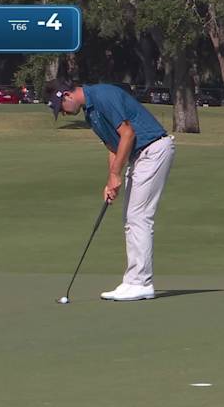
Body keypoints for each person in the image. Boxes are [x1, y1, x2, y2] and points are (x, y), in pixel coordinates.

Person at [47, 80, 176, 302]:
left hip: (153, 149)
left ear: (67, 94)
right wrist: (111, 180)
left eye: (62, 107)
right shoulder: (90, 113)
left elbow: (128, 134)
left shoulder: (103, 96)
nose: (65, 114)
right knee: (131, 218)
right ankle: (132, 281)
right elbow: (113, 147)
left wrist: (117, 174)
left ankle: (141, 283)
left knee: (139, 217)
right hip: (139, 156)